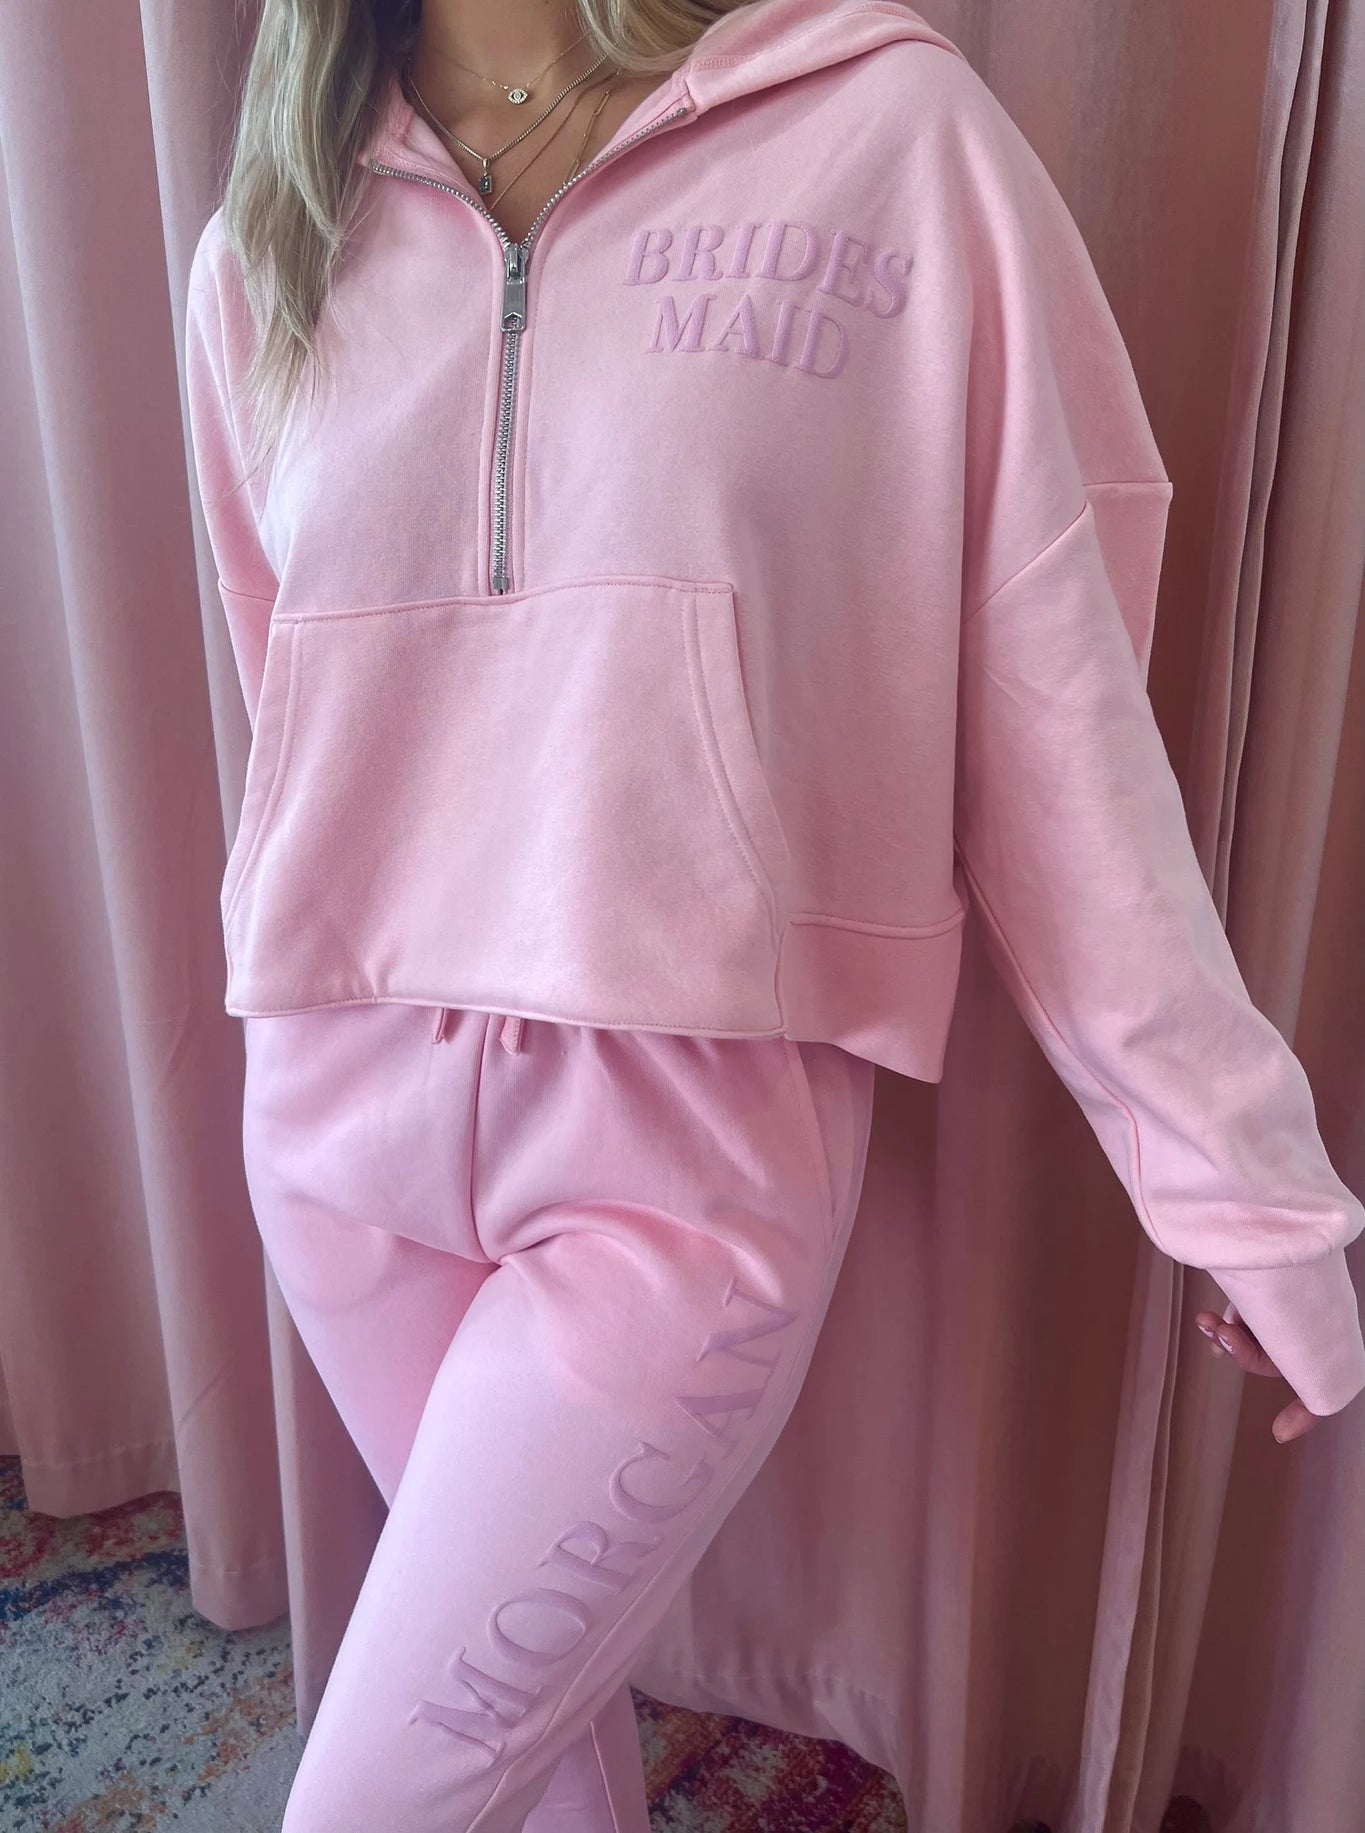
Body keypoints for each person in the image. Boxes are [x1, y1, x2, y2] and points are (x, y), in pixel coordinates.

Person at [182, 0, 1365, 1827]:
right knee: (526, 1746)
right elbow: (296, 697)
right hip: (334, 1114)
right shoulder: (273, 227)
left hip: (685, 1150)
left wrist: (1235, 1177)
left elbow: (1049, 703)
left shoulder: (886, 139)